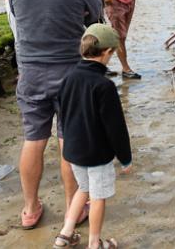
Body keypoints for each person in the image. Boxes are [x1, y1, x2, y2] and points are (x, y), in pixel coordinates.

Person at [8, 0, 102, 229]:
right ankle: (72, 207)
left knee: (33, 139)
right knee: (68, 140)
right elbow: (97, 20)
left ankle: (30, 208)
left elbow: (17, 17)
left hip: (31, 70)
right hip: (70, 71)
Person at [55, 24, 132, 249]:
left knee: (83, 188)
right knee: (98, 196)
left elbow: (63, 112)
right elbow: (115, 127)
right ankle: (94, 243)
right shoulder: (104, 85)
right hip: (97, 154)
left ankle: (65, 234)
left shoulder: (68, 77)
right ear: (107, 52)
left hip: (73, 150)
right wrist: (125, 157)